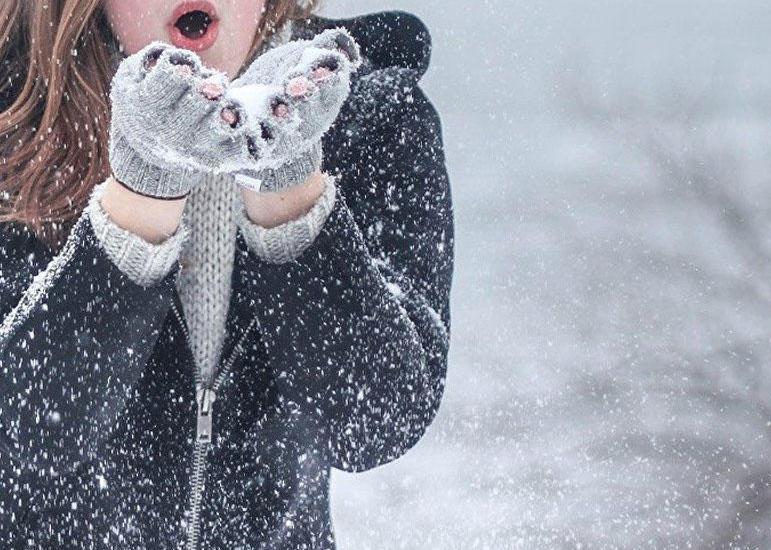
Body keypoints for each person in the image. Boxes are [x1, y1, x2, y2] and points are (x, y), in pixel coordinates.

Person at [0, 1, 454, 548]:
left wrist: (289, 188)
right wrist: (141, 196)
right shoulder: (12, 121)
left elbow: (377, 421)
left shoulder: (371, 117)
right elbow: (21, 437)